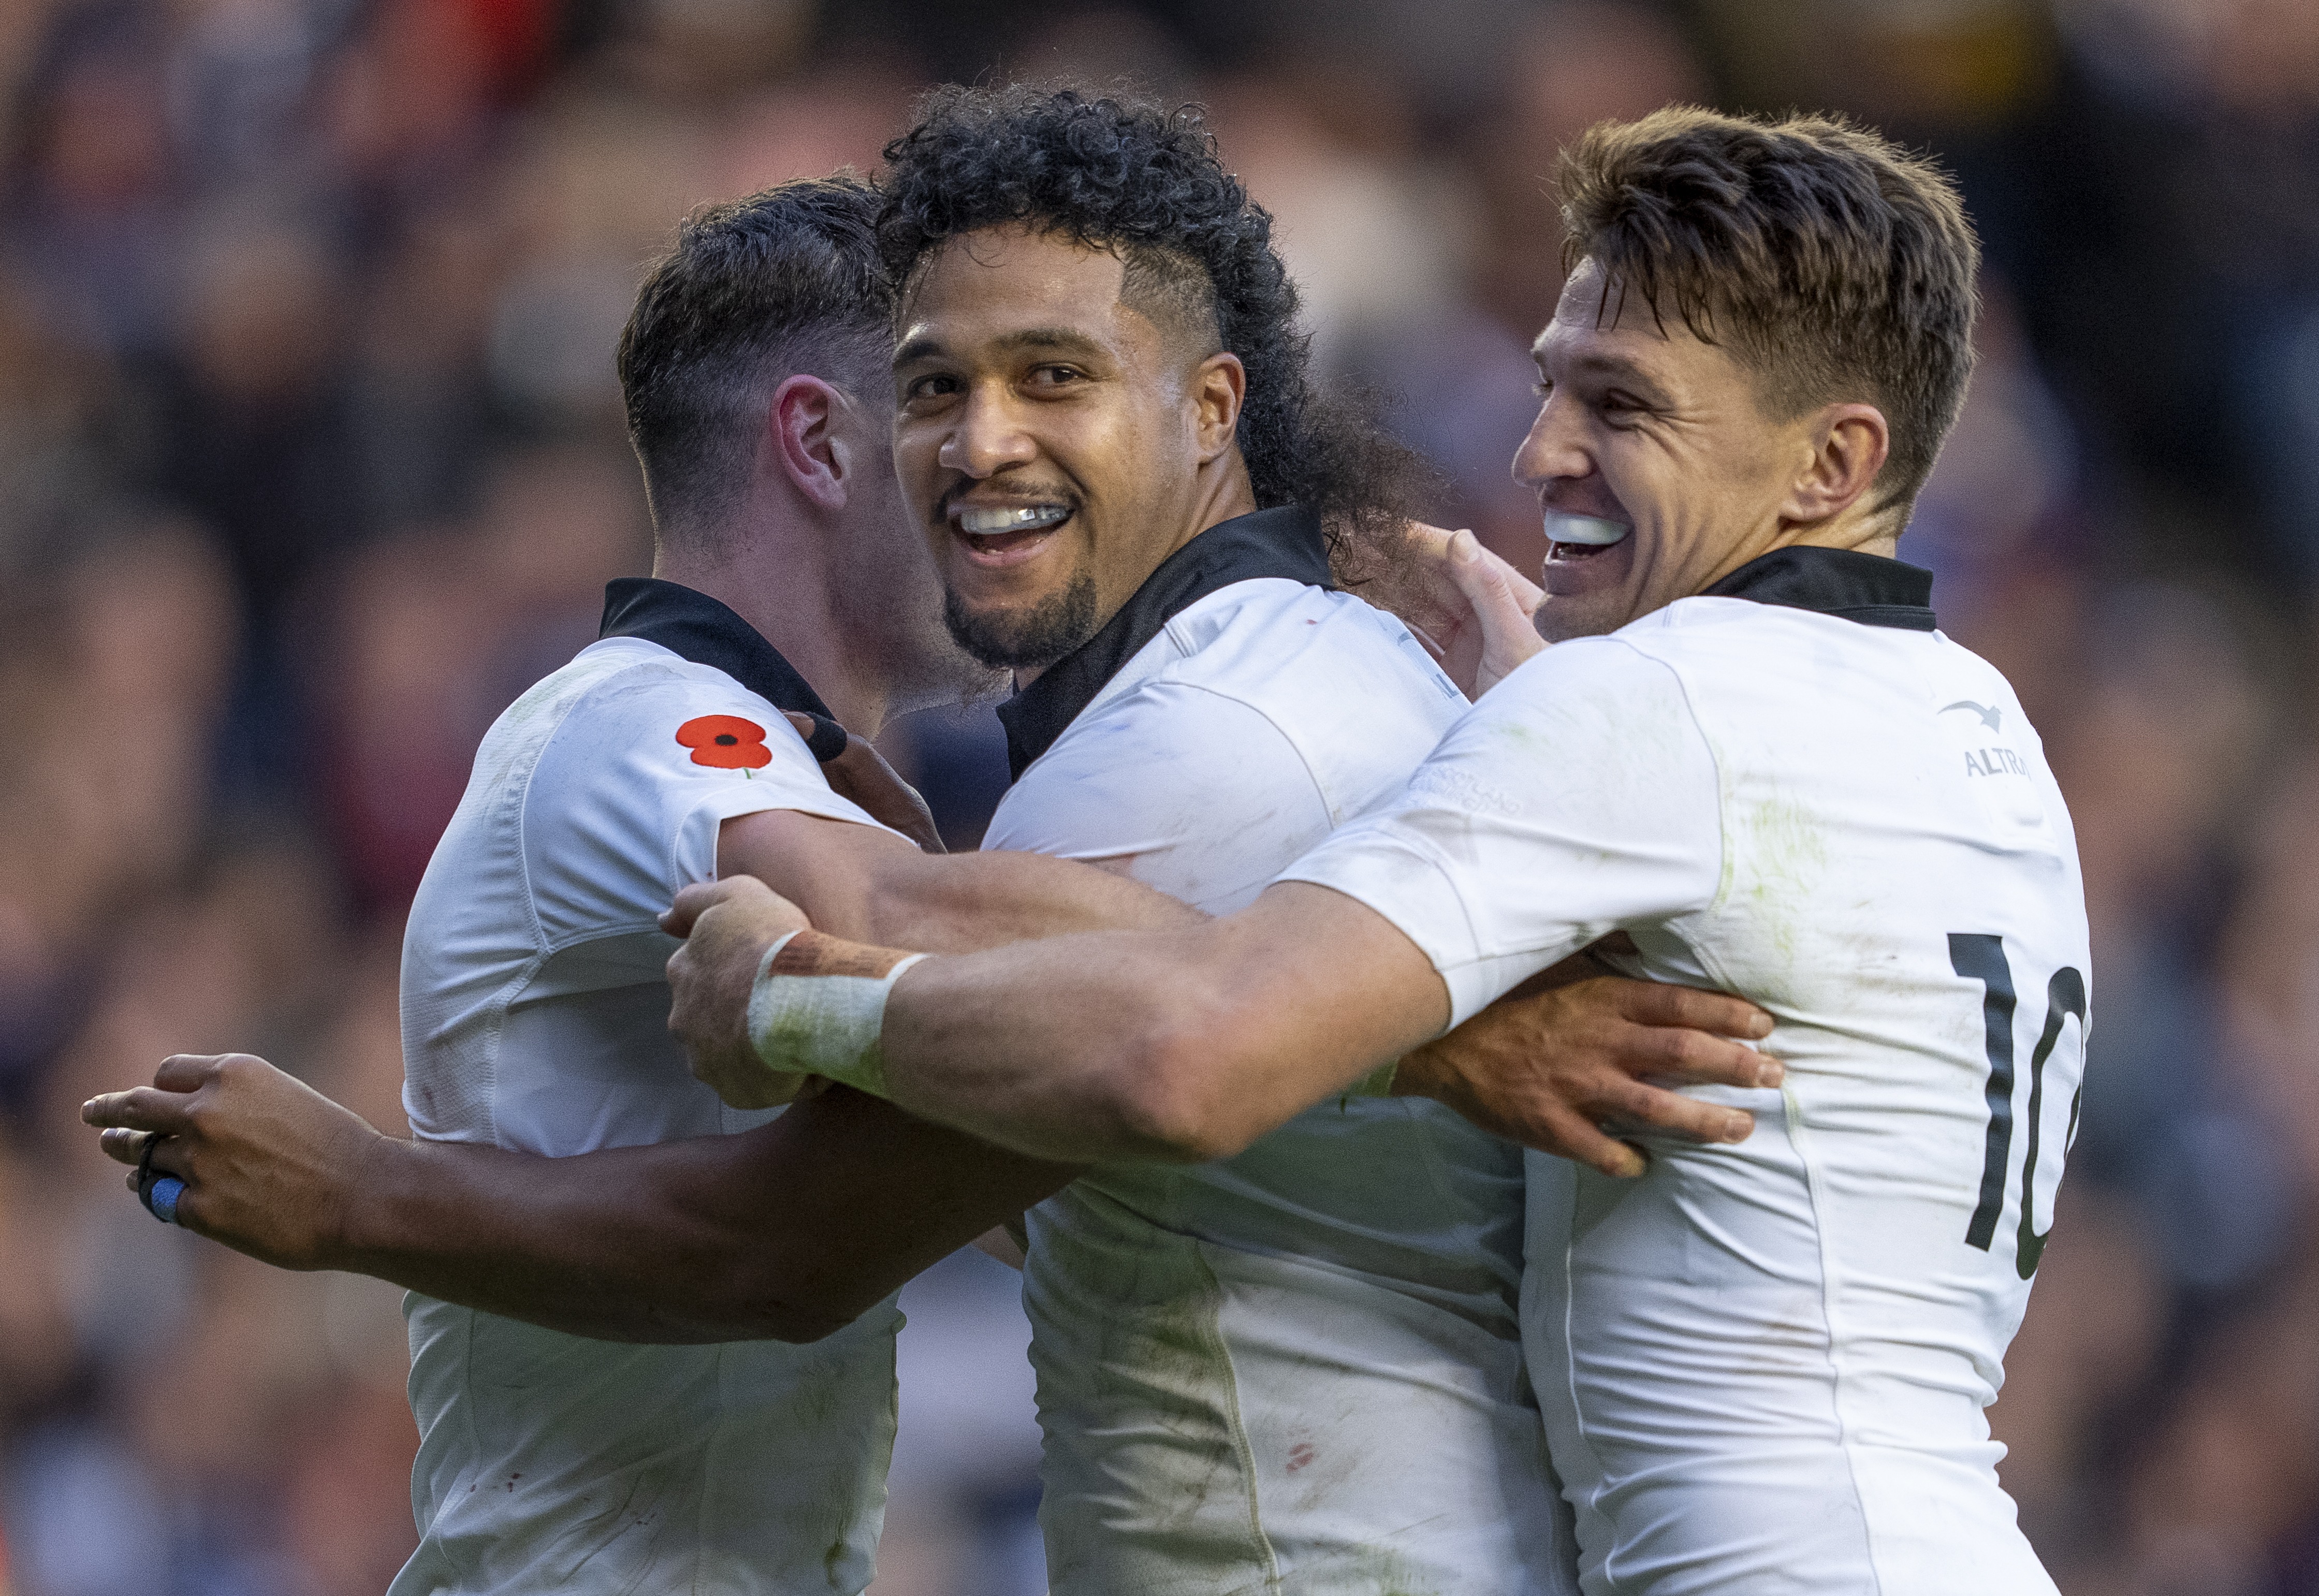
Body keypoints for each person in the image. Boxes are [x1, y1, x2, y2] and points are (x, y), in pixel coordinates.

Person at [83, 105, 1773, 1593]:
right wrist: (1433, 1021)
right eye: (928, 391)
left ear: (1206, 409)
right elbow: (930, 1080)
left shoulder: (1185, 735)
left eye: (1048, 377)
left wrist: (1393, 1012)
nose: (974, 454)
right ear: (829, 440)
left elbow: (850, 1176)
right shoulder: (641, 721)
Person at [666, 108, 2085, 1596]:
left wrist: (790, 993)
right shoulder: (1977, 725)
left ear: (1831, 461)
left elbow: (1190, 1056)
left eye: (1625, 406)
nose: (1539, 453)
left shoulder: (1647, 712)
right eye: (1550, 387)